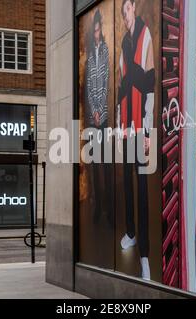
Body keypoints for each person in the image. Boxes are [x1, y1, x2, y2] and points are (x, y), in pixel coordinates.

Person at [117, 0, 155, 281]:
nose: (124, 13)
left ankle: (145, 257)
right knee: (128, 185)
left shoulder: (144, 35)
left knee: (142, 189)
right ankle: (130, 233)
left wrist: (149, 132)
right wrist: (120, 128)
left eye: (127, 8)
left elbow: (150, 85)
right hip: (127, 129)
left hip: (141, 128)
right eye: (122, 11)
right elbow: (121, 89)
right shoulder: (124, 44)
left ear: (134, 8)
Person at [85, 10, 112, 225]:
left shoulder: (105, 50)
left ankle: (109, 208)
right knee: (94, 164)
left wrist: (100, 109)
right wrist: (92, 110)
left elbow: (105, 83)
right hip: (92, 117)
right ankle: (98, 207)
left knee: (107, 163)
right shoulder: (87, 58)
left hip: (103, 118)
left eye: (97, 30)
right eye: (93, 31)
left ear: (101, 29)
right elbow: (87, 86)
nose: (96, 34)